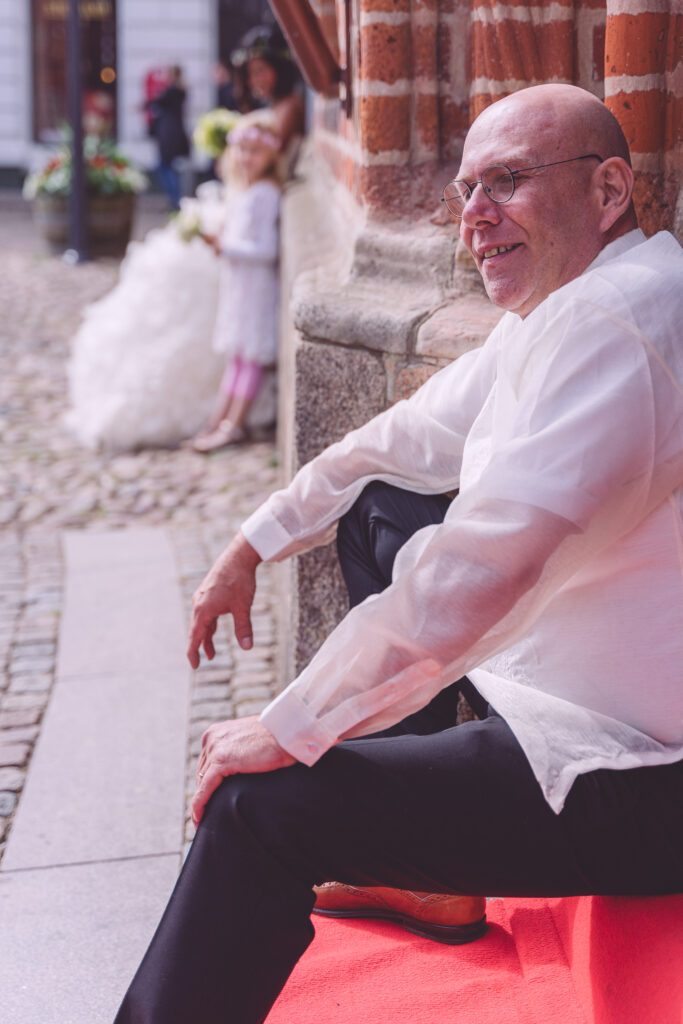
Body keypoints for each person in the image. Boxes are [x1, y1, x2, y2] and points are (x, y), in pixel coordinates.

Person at [113, 84, 683, 1024]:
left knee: (256, 810)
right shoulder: (577, 302)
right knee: (380, 504)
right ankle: (435, 885)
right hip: (575, 708)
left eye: (507, 181)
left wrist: (293, 728)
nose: (474, 218)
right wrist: (251, 543)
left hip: (628, 772)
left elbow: (479, 572)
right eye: (463, 192)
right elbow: (402, 435)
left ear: (609, 188)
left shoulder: (616, 329)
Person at [191, 114, 282, 452]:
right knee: (238, 355)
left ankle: (234, 425)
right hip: (239, 284)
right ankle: (218, 419)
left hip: (255, 287)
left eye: (255, 151)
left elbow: (267, 249)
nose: (246, 158)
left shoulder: (266, 194)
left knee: (251, 355)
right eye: (242, 150)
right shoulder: (244, 190)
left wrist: (225, 247)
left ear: (271, 155)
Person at [149, 65, 190, 211]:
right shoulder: (180, 91)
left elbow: (154, 101)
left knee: (165, 167)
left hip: (168, 135)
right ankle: (176, 199)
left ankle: (175, 199)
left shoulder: (171, 91)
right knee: (170, 167)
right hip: (175, 134)